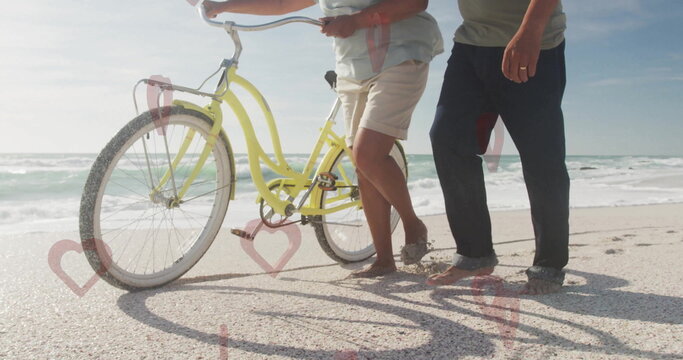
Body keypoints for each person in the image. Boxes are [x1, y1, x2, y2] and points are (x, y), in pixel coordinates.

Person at [203, 0, 443, 277]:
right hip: (353, 67)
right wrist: (220, 6)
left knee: (367, 154)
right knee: (362, 164)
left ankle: (413, 224)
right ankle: (384, 260)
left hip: (400, 54)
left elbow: (415, 2)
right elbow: (282, 3)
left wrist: (355, 21)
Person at [428, 0, 569, 294]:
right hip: (470, 43)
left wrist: (531, 30)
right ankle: (474, 253)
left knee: (541, 153)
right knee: (448, 139)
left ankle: (549, 264)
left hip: (532, 40)